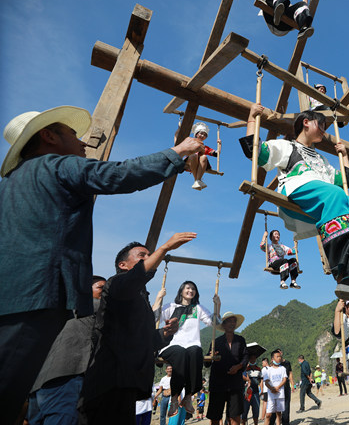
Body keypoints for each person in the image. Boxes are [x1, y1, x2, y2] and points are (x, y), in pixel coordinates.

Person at [0, 106, 203, 420]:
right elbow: (117, 174)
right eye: (72, 134)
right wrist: (178, 152)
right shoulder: (56, 165)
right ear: (48, 136)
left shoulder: (11, 185)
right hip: (35, 296)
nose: (83, 143)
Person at [241, 106, 349, 305]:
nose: (324, 130)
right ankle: (343, 270)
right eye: (321, 125)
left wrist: (344, 155)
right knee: (335, 194)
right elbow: (255, 151)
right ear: (306, 122)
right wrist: (252, 118)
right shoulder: (288, 147)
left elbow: (345, 179)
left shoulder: (321, 159)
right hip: (296, 191)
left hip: (322, 200)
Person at [79, 233, 195, 424]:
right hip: (106, 383)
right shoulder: (115, 284)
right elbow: (134, 278)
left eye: (150, 254)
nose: (149, 258)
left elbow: (146, 339)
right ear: (123, 265)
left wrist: (166, 333)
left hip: (127, 384)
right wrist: (164, 248)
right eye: (142, 255)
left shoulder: (142, 300)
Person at [26, 276, 105, 425]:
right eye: (101, 288)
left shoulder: (56, 314)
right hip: (67, 379)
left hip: (39, 385)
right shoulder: (83, 307)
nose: (105, 292)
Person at [159, 281, 221, 416]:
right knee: (180, 352)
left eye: (193, 289)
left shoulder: (197, 308)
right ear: (181, 290)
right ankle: (175, 397)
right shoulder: (171, 306)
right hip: (172, 345)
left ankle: (188, 396)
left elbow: (214, 322)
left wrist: (218, 306)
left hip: (191, 345)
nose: (190, 290)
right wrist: (159, 298)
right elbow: (155, 317)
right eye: (188, 288)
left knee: (196, 351)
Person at [206, 311, 248, 425]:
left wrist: (238, 366)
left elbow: (245, 358)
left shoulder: (240, 340)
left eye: (234, 321)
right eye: (229, 321)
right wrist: (211, 356)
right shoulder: (216, 342)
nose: (232, 323)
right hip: (217, 384)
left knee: (235, 416)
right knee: (215, 416)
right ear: (223, 325)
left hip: (235, 384)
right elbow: (207, 363)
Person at [177, 121, 218, 190]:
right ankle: (197, 180)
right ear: (196, 134)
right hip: (188, 162)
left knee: (204, 156)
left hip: (198, 164)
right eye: (201, 133)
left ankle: (198, 181)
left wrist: (219, 145)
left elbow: (216, 154)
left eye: (205, 135)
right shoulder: (189, 141)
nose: (203, 136)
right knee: (194, 155)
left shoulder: (204, 147)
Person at [262, 350, 287, 425]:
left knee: (279, 414)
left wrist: (278, 387)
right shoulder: (268, 370)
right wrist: (272, 388)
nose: (279, 358)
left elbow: (284, 379)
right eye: (277, 356)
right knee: (268, 415)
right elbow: (266, 382)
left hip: (280, 394)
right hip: (271, 395)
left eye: (280, 356)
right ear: (272, 359)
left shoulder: (283, 368)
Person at [242, 346, 263, 425]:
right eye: (251, 358)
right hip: (247, 393)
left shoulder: (259, 369)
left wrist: (261, 390)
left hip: (256, 393)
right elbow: (242, 377)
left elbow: (260, 380)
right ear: (249, 359)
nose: (253, 360)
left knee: (256, 410)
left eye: (254, 358)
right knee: (244, 412)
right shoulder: (245, 369)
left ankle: (256, 423)